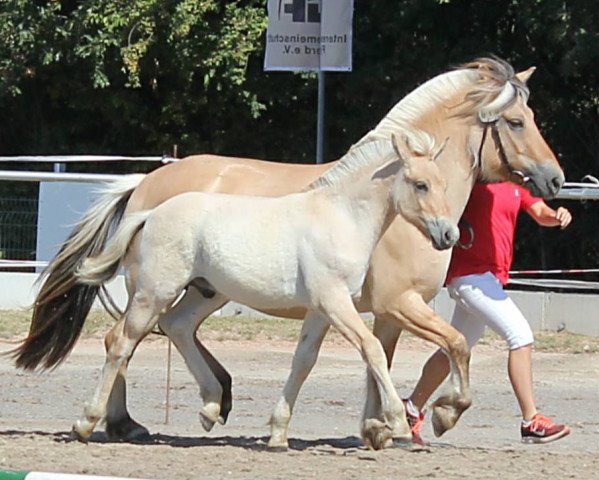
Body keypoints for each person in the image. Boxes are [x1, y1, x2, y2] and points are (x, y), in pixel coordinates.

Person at [403, 181, 573, 445]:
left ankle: (410, 411)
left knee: (456, 348)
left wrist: (557, 215)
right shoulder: (475, 181)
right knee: (520, 336)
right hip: (469, 276)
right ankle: (531, 420)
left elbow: (540, 213)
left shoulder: (517, 183)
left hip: (489, 278)